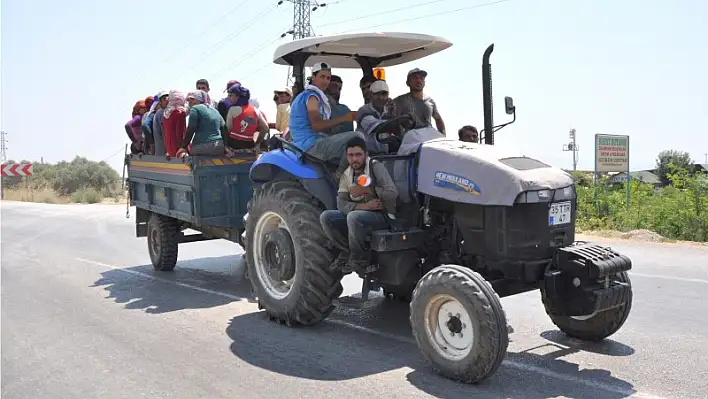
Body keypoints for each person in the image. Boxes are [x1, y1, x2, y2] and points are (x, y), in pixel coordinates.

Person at [320, 136, 398, 272]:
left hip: (382, 215)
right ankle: (346, 252)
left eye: (358, 155)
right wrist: (363, 206)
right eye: (351, 155)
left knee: (353, 217)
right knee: (326, 217)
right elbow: (341, 203)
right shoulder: (346, 174)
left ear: (365, 154)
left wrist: (370, 190)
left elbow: (392, 193)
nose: (354, 159)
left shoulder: (375, 167)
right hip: (362, 212)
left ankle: (360, 260)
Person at [289, 61, 362, 173]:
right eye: (322, 77)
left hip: (311, 142)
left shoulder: (313, 96)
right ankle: (340, 177)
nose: (325, 81)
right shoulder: (312, 97)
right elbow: (317, 125)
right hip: (310, 146)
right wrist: (344, 118)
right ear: (313, 77)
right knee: (357, 137)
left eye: (328, 78)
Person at [355, 80, 408, 154]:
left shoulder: (387, 112)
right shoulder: (364, 110)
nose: (381, 98)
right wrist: (400, 120)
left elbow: (399, 133)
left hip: (385, 154)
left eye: (384, 94)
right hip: (366, 155)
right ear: (370, 95)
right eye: (376, 94)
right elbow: (378, 127)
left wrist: (392, 114)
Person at [391, 68, 446, 134]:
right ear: (407, 83)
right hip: (410, 139)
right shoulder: (399, 101)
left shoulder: (430, 101)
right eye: (415, 78)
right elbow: (393, 122)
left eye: (421, 78)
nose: (418, 80)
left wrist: (443, 135)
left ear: (424, 82)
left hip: (429, 138)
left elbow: (438, 119)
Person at [177, 90, 229, 157]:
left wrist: (183, 147)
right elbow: (224, 128)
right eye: (188, 100)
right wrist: (225, 146)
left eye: (192, 99)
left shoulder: (195, 108)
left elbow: (191, 128)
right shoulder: (215, 110)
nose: (190, 102)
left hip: (202, 147)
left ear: (199, 99)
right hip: (218, 146)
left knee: (189, 158)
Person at [224, 84, 269, 152]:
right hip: (250, 147)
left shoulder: (232, 109)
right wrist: (257, 143)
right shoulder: (255, 110)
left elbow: (228, 129)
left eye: (231, 95)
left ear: (238, 97)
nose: (228, 97)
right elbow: (265, 128)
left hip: (234, 147)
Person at [162, 90, 188, 157]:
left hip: (170, 149)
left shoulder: (166, 113)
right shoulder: (180, 113)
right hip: (178, 150)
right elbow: (180, 134)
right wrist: (183, 149)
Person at [152, 91, 170, 156]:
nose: (167, 100)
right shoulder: (162, 113)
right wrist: (167, 150)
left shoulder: (159, 112)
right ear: (160, 102)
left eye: (168, 98)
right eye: (164, 99)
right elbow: (164, 132)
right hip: (164, 153)